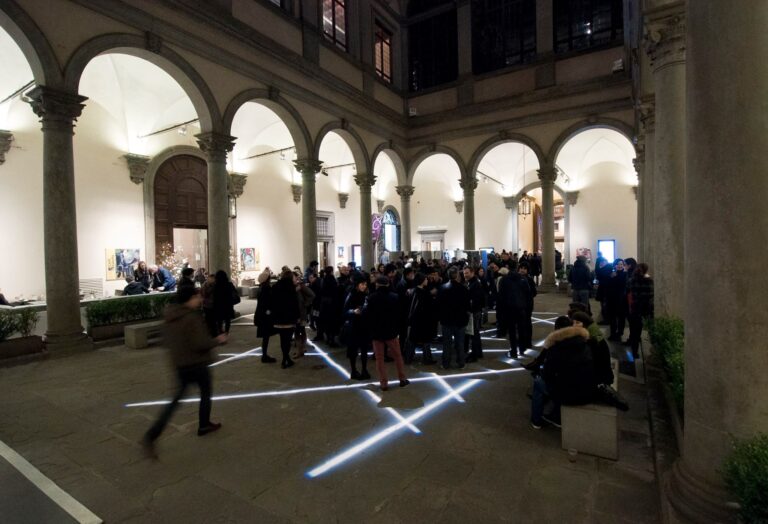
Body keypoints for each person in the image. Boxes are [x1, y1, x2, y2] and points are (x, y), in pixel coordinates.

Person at [142, 286, 227, 458]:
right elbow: (200, 343)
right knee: (205, 393)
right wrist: (217, 340)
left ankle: (152, 434)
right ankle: (204, 425)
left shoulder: (169, 316)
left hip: (180, 365)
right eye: (198, 296)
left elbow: (167, 341)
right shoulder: (191, 317)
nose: (200, 299)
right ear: (190, 298)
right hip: (197, 363)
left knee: (175, 401)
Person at [530, 316, 597, 429]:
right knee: (564, 378)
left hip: (570, 394)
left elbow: (548, 375)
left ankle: (536, 420)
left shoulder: (556, 347)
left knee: (539, 383)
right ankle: (556, 414)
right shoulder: (584, 342)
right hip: (588, 390)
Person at [363, 275, 409, 391]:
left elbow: (367, 315)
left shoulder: (371, 298)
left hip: (376, 333)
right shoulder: (395, 297)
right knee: (397, 356)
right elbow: (400, 315)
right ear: (388, 284)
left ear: (377, 284)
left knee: (379, 359)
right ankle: (402, 379)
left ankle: (384, 383)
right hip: (391, 331)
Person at [437, 266, 471, 369]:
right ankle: (461, 363)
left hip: (446, 320)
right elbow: (467, 306)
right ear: (457, 276)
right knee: (460, 343)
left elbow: (439, 305)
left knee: (446, 344)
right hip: (460, 321)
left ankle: (445, 363)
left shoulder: (442, 288)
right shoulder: (464, 289)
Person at [497, 262, 530, 359]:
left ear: (507, 268)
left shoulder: (504, 280)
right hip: (521, 308)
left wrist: (501, 310)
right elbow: (528, 294)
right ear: (516, 268)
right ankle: (522, 348)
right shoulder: (523, 279)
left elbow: (501, 297)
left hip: (509, 309)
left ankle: (514, 351)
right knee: (521, 328)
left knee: (512, 330)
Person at [343, 273, 371, 380]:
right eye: (362, 284)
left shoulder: (366, 295)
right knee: (353, 350)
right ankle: (353, 371)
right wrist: (353, 311)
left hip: (364, 325)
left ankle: (364, 369)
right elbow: (344, 312)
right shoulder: (351, 295)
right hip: (354, 326)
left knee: (364, 349)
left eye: (365, 284)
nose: (364, 286)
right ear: (357, 285)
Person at [271, 269, 300, 369]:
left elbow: (272, 302)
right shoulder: (291, 288)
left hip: (278, 318)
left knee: (283, 339)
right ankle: (285, 359)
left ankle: (286, 359)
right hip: (288, 318)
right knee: (287, 340)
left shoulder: (275, 286)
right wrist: (297, 317)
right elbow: (294, 304)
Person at [408, 272, 437, 365]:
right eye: (425, 279)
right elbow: (429, 308)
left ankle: (408, 358)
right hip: (424, 321)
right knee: (426, 340)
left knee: (412, 340)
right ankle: (427, 359)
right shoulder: (425, 294)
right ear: (421, 281)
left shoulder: (413, 291)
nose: (427, 280)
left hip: (415, 321)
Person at [627, 263, 654, 356]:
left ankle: (634, 351)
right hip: (646, 307)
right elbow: (650, 295)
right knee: (649, 328)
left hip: (635, 307)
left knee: (635, 331)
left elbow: (630, 292)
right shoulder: (649, 281)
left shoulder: (632, 280)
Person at [253, 269, 276, 363]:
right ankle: (264, 355)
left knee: (265, 336)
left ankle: (264, 354)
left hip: (261, 315)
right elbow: (268, 303)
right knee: (266, 336)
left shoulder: (261, 288)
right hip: (265, 316)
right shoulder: (266, 289)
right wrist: (270, 312)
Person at [463, 266, 485, 362]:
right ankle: (478, 353)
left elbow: (475, 300)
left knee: (474, 334)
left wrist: (470, 309)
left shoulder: (475, 284)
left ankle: (474, 355)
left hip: (474, 312)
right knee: (475, 333)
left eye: (467, 273)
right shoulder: (473, 282)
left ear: (472, 273)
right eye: (464, 273)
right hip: (475, 311)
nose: (465, 275)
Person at [606, 259, 628, 341]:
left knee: (621, 317)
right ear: (614, 265)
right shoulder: (611, 274)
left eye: (621, 264)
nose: (620, 266)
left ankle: (620, 332)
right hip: (612, 299)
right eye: (618, 264)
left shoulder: (625, 274)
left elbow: (623, 285)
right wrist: (611, 277)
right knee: (612, 318)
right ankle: (613, 333)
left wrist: (615, 277)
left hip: (621, 299)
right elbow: (608, 286)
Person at [294, 272, 315, 359]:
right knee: (300, 330)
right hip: (297, 313)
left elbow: (312, 295)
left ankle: (300, 350)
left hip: (301, 313)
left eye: (294, 277)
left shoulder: (301, 286)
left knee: (298, 331)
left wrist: (305, 304)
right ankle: (301, 349)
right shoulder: (293, 287)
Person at [212, 270, 239, 336]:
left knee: (219, 320)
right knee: (227, 319)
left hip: (219, 305)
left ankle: (220, 332)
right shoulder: (229, 284)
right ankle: (226, 332)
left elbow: (214, 296)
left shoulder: (215, 286)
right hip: (228, 304)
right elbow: (235, 292)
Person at [518, 262, 537, 349]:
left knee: (527, 323)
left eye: (525, 268)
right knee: (519, 324)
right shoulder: (516, 278)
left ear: (527, 270)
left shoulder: (529, 279)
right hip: (518, 305)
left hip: (527, 305)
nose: (522, 270)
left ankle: (528, 342)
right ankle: (521, 341)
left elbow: (534, 293)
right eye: (521, 268)